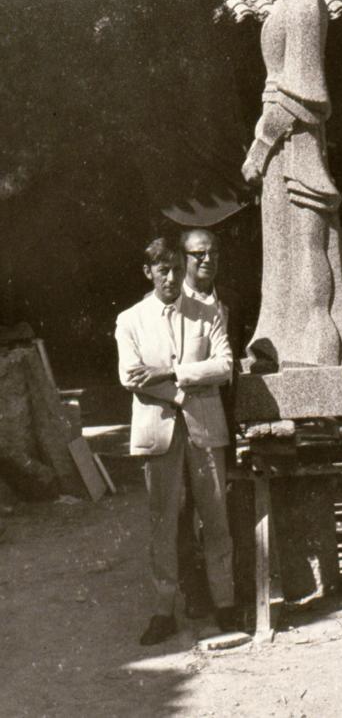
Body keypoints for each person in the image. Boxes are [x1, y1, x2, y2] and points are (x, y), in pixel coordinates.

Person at [241, 0, 342, 369]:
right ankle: (281, 337)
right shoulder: (289, 5)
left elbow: (303, 92)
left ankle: (320, 340)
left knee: (308, 238)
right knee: (285, 247)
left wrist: (261, 145)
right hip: (280, 142)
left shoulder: (304, 5)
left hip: (294, 141)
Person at [115, 237, 235, 645]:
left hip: (205, 429)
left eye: (175, 269)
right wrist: (183, 394)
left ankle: (225, 603)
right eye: (161, 270)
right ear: (147, 272)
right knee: (163, 523)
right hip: (159, 432)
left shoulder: (208, 313)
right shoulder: (130, 319)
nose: (170, 278)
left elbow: (224, 366)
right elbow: (130, 376)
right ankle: (163, 610)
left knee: (216, 517)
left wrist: (171, 374)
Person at [177, 227, 243, 619]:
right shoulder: (170, 302)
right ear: (183, 258)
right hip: (180, 423)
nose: (207, 259)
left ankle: (226, 595)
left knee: (219, 507)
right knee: (182, 512)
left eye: (213, 253)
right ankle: (194, 592)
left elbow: (234, 360)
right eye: (198, 254)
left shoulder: (231, 300)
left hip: (222, 417)